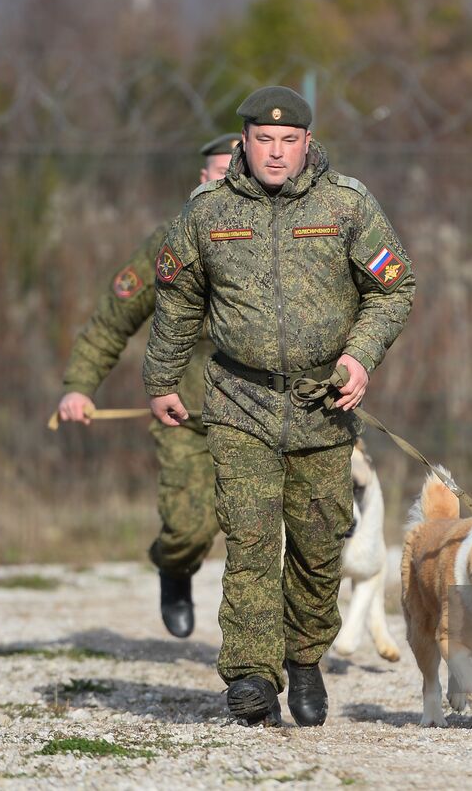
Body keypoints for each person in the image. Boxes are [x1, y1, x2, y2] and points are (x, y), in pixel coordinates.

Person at [144, 86, 415, 727]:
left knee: (320, 544)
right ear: (244, 142)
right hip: (240, 398)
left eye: (288, 140)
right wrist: (161, 380)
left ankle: (304, 657)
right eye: (263, 139)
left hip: (324, 403)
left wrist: (359, 357)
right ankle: (251, 676)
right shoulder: (208, 210)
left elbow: (394, 287)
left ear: (306, 143)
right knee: (252, 538)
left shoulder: (346, 204)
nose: (275, 152)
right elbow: (178, 297)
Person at [56, 133, 241, 638]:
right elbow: (111, 321)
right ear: (202, 180)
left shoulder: (280, 242)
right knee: (188, 529)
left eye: (239, 171)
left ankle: (270, 657)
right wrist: (79, 386)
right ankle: (175, 567)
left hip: (263, 417)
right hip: (186, 416)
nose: (230, 182)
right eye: (221, 173)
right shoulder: (170, 244)